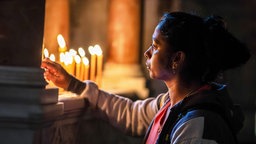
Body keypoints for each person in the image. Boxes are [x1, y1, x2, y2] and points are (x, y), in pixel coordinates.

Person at [41, 12, 251, 144]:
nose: (147, 53)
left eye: (156, 45)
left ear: (177, 59)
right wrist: (72, 84)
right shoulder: (172, 104)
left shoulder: (197, 126)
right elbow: (131, 114)